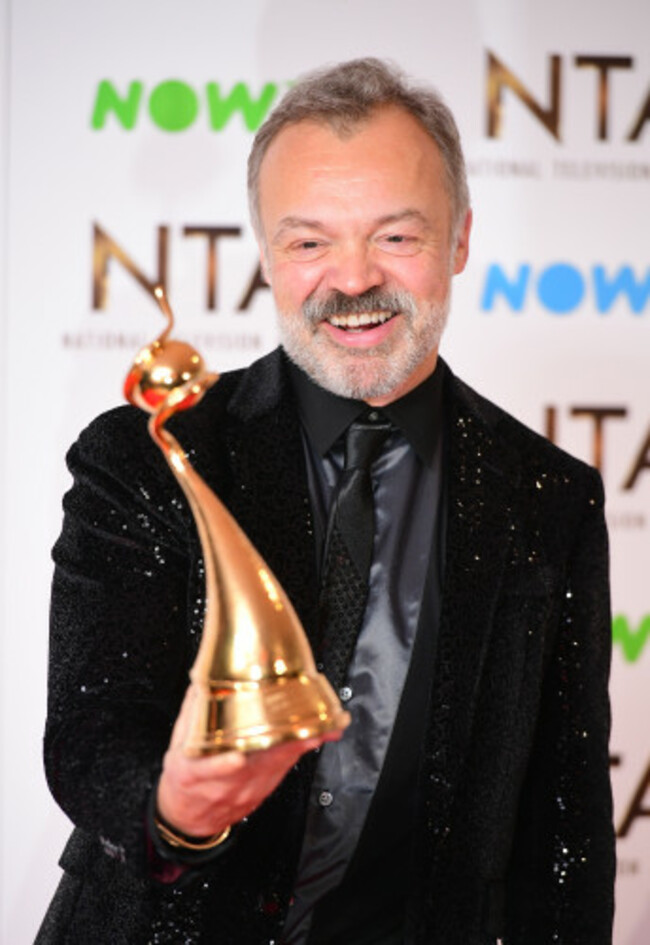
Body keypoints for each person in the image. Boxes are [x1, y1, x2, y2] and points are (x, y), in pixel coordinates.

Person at [38, 58, 615, 944]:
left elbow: (565, 823)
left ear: (460, 240)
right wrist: (175, 807)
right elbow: (92, 726)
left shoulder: (551, 499)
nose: (351, 281)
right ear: (267, 253)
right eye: (310, 242)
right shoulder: (147, 456)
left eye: (396, 237)